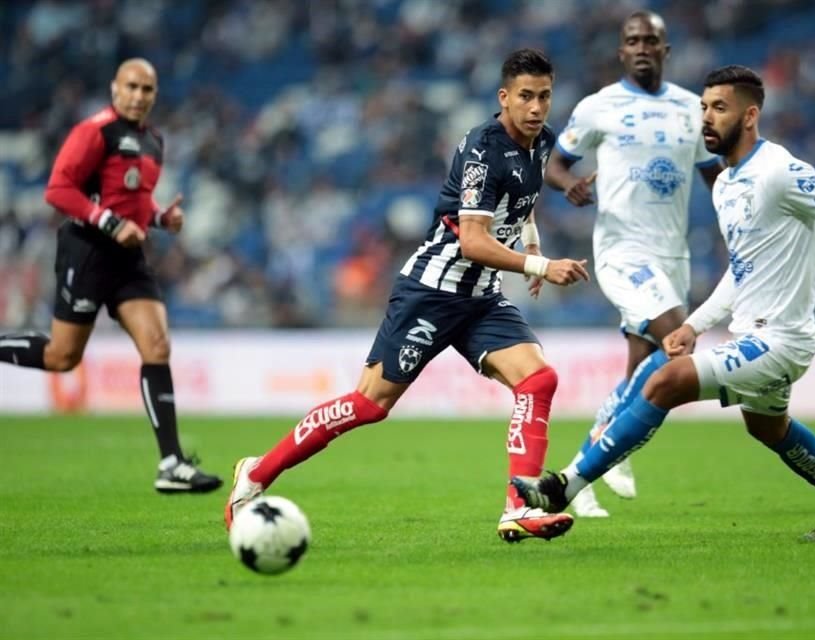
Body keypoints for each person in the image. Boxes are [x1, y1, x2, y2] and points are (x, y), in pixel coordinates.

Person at [513, 65, 815, 542]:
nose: (706, 118)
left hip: (782, 340)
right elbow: (740, 272)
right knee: (768, 429)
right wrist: (697, 324)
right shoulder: (726, 185)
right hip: (752, 333)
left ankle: (565, 485)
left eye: (719, 108)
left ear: (749, 116)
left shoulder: (779, 171)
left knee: (666, 381)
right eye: (703, 107)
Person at [225, 49, 591, 543]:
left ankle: (518, 507)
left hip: (481, 296)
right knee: (370, 404)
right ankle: (256, 473)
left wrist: (531, 244)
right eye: (525, 96)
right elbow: (473, 240)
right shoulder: (484, 149)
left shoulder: (541, 142)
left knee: (538, 381)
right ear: (504, 97)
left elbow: (520, 202)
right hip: (432, 292)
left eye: (544, 96)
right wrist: (542, 265)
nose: (536, 107)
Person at [0, 59, 222, 494]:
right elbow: (58, 189)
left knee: (157, 344)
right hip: (88, 251)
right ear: (115, 88)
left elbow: (131, 200)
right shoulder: (94, 131)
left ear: (155, 95)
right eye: (132, 87)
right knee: (62, 358)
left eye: (148, 89)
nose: (139, 96)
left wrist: (160, 217)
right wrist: (108, 224)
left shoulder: (154, 141)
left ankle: (172, 463)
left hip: (128, 257)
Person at [544, 10, 723, 517]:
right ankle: (600, 452)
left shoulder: (694, 109)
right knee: (676, 342)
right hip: (623, 250)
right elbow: (555, 164)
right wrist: (569, 187)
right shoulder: (600, 107)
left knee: (648, 365)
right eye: (632, 40)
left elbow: (715, 178)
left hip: (674, 255)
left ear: (666, 51)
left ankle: (602, 454)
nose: (642, 46)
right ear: (621, 51)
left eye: (651, 40)